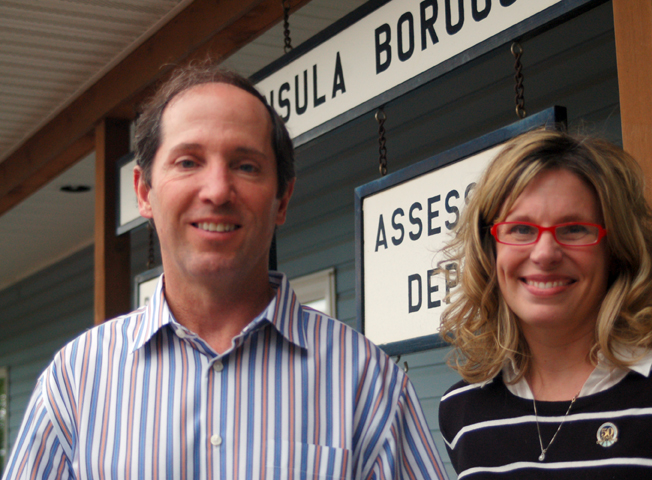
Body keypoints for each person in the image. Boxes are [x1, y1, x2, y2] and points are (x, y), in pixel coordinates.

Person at [3, 65, 448, 480]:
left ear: (282, 200)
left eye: (246, 166)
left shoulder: (367, 382)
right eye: (188, 162)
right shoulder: (75, 382)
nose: (217, 191)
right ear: (143, 192)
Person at [438, 128, 652, 479]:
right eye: (521, 229)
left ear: (615, 249)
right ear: (490, 250)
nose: (545, 254)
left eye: (574, 229)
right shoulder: (462, 410)